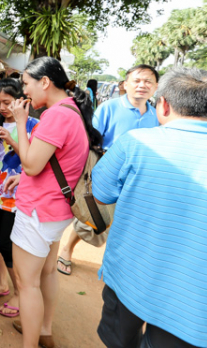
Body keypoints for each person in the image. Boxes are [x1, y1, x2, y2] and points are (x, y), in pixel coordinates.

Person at [93, 67, 207, 348]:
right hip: (195, 301)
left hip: (129, 279)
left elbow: (100, 195)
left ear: (163, 104)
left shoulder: (134, 144)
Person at [4, 57, 101, 348]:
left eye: (26, 83)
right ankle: (43, 329)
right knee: (45, 273)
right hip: (56, 210)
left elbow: (33, 165)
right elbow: (59, 162)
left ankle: (31, 342)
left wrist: (20, 122)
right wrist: (24, 177)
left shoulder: (56, 115)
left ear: (44, 82)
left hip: (38, 210)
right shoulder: (71, 110)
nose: (24, 91)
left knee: (26, 283)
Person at [57, 64, 159, 275]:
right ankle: (66, 249)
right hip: (106, 175)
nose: (142, 85)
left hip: (138, 180)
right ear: (125, 84)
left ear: (156, 87)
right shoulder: (109, 108)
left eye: (148, 81)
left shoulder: (157, 116)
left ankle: (113, 264)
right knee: (93, 216)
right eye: (137, 80)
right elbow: (90, 140)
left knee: (123, 223)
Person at [0, 78, 39, 318]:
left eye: (7, 102)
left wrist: (10, 138)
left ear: (20, 101)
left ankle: (18, 292)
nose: (2, 107)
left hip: (20, 197)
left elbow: (32, 162)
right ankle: (1, 283)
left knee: (9, 245)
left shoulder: (32, 125)